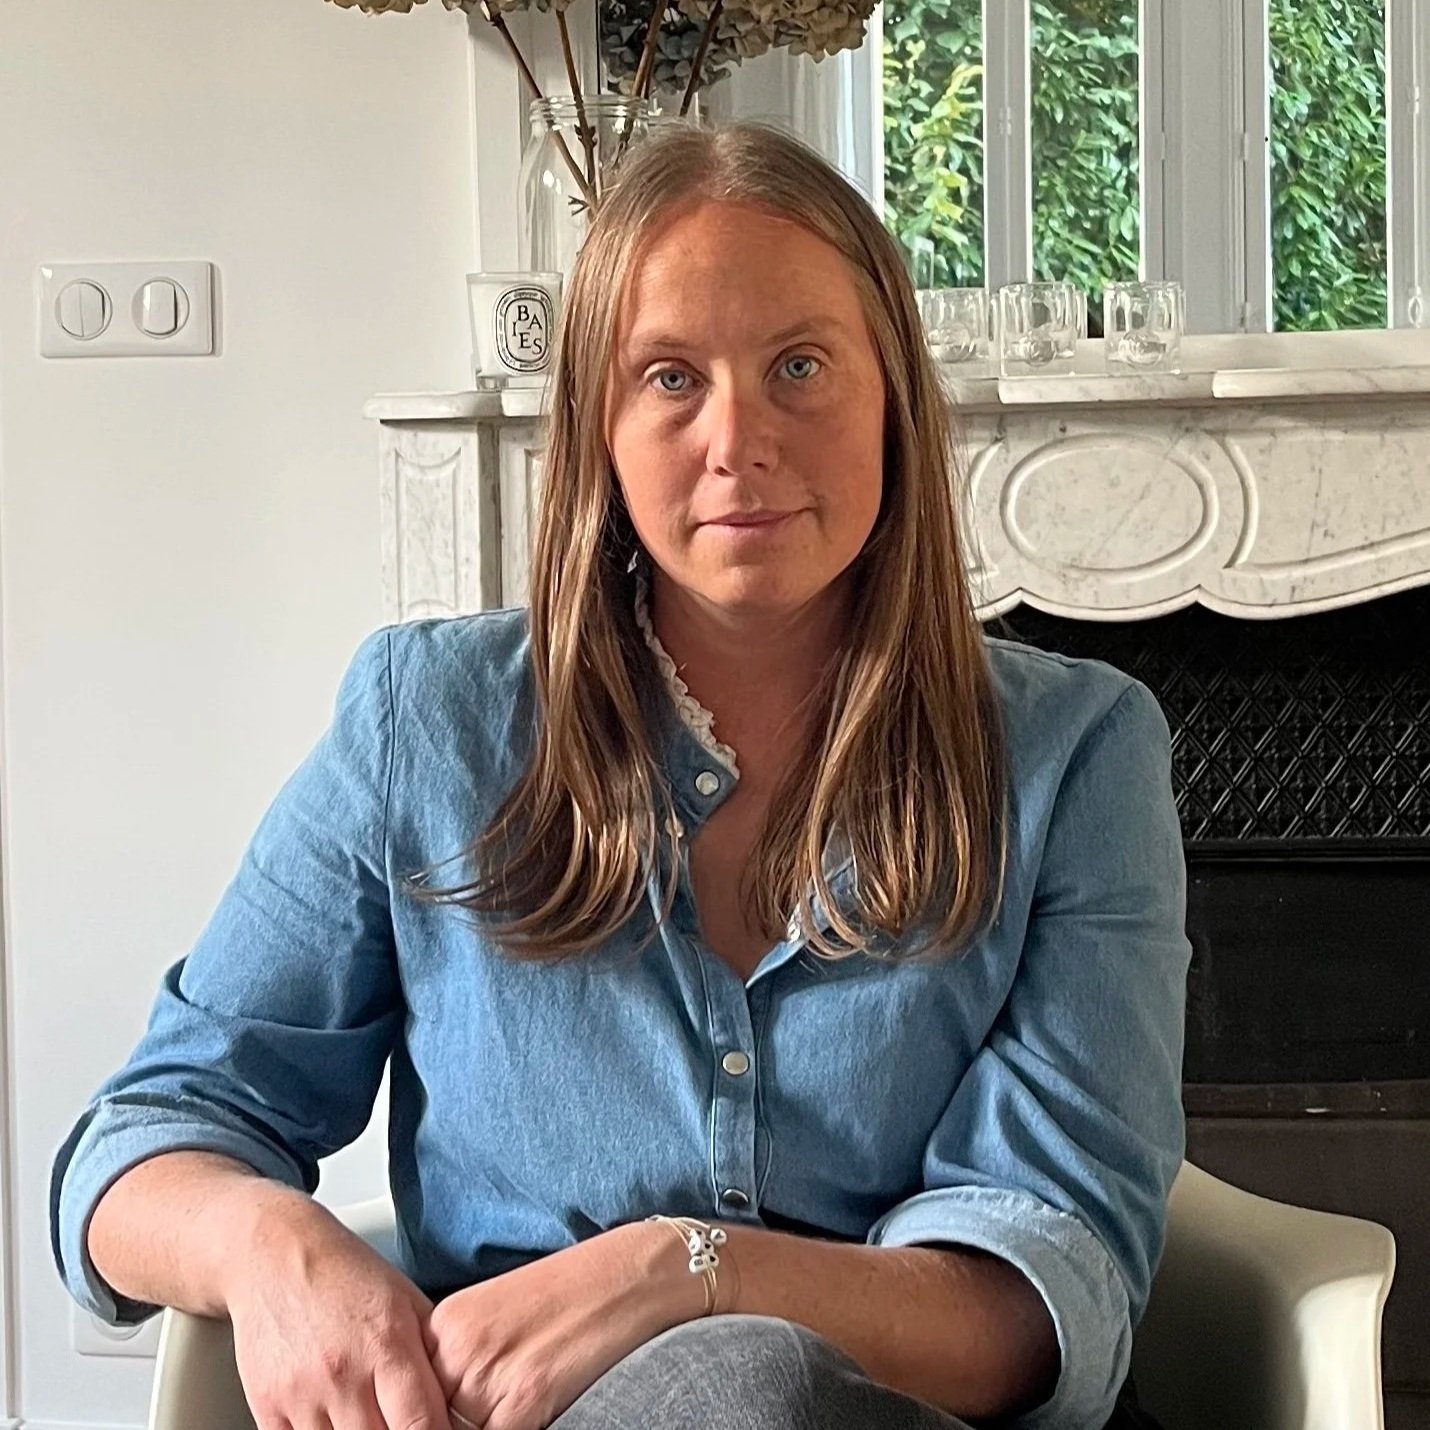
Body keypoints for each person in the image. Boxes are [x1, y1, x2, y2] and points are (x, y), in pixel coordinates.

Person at [51, 121, 1190, 1430]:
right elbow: (137, 1148)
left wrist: (686, 1273)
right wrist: (272, 1246)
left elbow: (1038, 1303)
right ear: (597, 423)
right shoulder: (426, 721)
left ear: (891, 395)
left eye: (801, 365)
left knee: (761, 1385)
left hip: (910, 1412)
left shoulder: (1079, 754)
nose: (736, 439)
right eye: (667, 377)